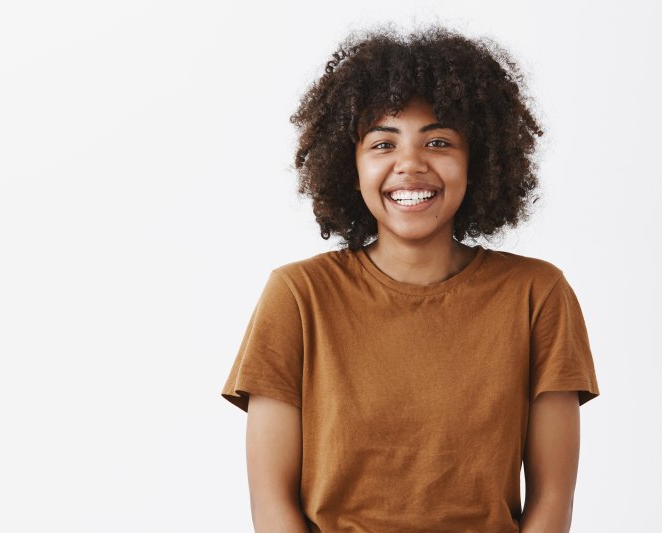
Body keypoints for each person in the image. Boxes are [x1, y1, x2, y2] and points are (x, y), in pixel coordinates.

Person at [220, 23, 600, 533]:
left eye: (438, 141)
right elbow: (272, 509)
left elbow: (552, 505)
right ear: (349, 164)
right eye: (382, 144)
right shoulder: (297, 296)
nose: (410, 165)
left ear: (478, 160)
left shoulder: (538, 294)